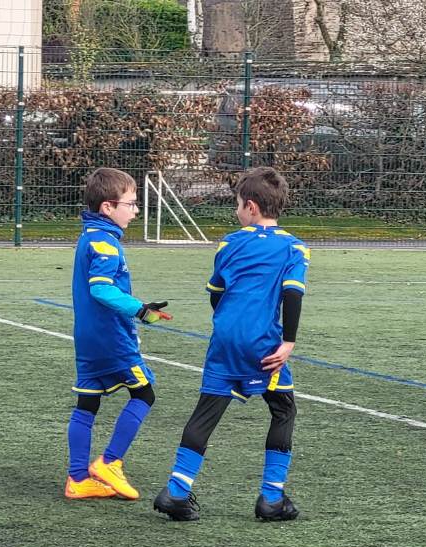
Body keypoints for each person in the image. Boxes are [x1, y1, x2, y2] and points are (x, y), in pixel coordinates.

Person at [153, 166, 310, 521]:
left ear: (250, 207)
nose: (237, 210)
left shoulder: (229, 243)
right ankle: (272, 498)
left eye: (237, 204)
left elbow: (216, 293)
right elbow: (292, 294)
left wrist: (229, 323)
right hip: (261, 342)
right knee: (283, 409)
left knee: (207, 410)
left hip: (224, 339)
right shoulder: (293, 247)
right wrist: (288, 341)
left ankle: (176, 492)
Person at [65, 167, 172, 500]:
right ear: (107, 207)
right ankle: (110, 462)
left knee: (87, 403)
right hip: (111, 338)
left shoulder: (89, 236)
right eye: (131, 204)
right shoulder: (105, 242)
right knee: (144, 394)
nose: (135, 211)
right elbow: (101, 289)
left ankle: (78, 478)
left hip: (88, 337)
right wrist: (140, 309)